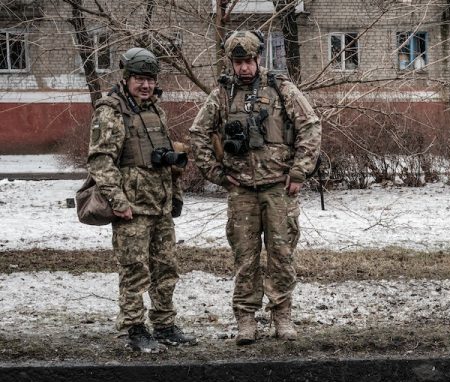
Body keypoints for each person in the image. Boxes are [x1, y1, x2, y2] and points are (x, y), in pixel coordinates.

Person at [188, 31, 321, 344]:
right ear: (231, 63)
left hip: (279, 188)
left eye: (249, 61)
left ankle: (282, 315)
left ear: (258, 58)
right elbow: (198, 134)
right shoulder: (223, 94)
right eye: (238, 62)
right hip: (242, 191)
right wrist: (216, 173)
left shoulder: (280, 88)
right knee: (245, 258)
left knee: (281, 256)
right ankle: (246, 319)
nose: (244, 67)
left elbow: (310, 126)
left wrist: (299, 171)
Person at [87, 47, 196, 353]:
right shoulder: (111, 110)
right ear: (127, 78)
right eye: (139, 79)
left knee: (166, 269)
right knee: (134, 270)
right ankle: (134, 328)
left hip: (159, 204)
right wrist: (118, 201)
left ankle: (164, 325)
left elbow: (163, 158)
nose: (146, 85)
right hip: (132, 208)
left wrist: (175, 195)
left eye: (150, 79)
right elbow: (101, 161)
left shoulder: (155, 110)